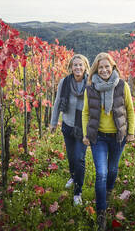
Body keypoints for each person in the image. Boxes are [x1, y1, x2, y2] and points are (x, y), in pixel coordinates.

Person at [82, 52, 135, 231]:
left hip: (118, 137)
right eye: (100, 67)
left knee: (112, 170)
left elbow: (130, 109)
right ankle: (101, 212)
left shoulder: (122, 85)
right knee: (102, 173)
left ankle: (109, 190)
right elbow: (86, 113)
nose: (104, 70)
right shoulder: (91, 88)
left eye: (107, 66)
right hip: (99, 137)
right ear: (96, 69)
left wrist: (131, 132)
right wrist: (85, 134)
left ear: (112, 67)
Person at [50, 54, 90, 206]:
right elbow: (57, 102)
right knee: (71, 156)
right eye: (75, 65)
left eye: (81, 65)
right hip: (67, 125)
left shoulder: (90, 83)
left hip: (83, 128)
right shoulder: (64, 82)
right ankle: (73, 176)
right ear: (71, 67)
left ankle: (77, 192)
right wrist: (54, 123)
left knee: (79, 158)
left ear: (85, 66)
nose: (78, 67)